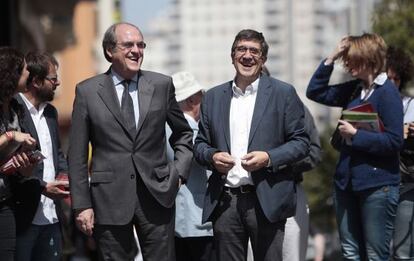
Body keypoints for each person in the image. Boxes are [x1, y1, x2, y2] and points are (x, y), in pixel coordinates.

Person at [68, 22, 193, 261]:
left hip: (157, 196)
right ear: (109, 51)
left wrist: (178, 175)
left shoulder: (161, 85)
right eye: (128, 45)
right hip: (109, 200)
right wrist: (82, 205)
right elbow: (77, 155)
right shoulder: (87, 91)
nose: (136, 50)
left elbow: (184, 134)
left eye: (140, 44)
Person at [194, 29, 310, 261]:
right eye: (241, 49)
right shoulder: (214, 97)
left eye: (254, 51)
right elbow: (200, 145)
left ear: (263, 59)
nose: (247, 55)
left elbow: (302, 142)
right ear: (232, 55)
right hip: (225, 202)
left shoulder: (283, 93)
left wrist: (268, 157)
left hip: (267, 199)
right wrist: (212, 157)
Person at [306, 33, 403, 260]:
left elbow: (394, 140)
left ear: (367, 58)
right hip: (346, 183)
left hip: (377, 186)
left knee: (374, 254)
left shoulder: (387, 93)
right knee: (350, 252)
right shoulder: (354, 90)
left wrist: (356, 134)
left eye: (350, 57)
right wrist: (332, 56)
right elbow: (315, 91)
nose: (346, 62)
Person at [261, 66, 322, 261]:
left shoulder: (294, 106)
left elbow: (313, 153)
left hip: (289, 191)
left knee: (292, 255)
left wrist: (275, 162)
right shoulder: (234, 108)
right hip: (247, 195)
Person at [13, 51, 70, 261]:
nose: (58, 83)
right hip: (23, 218)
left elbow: (58, 155)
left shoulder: (51, 113)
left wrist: (64, 179)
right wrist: (43, 187)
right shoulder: (13, 109)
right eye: (53, 79)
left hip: (51, 218)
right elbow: (12, 165)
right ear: (36, 81)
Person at [166, 71, 215, 261]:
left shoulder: (162, 129)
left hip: (173, 224)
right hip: (200, 224)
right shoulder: (195, 132)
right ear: (192, 100)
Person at [0, 46, 37, 260]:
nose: (29, 75)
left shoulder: (15, 108)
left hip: (5, 198)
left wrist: (24, 162)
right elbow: (11, 139)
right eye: (25, 70)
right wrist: (12, 136)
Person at [386, 46, 414, 261]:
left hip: (405, 184)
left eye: (395, 79)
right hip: (375, 184)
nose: (391, 84)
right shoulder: (369, 103)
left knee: (403, 253)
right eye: (386, 78)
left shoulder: (411, 105)